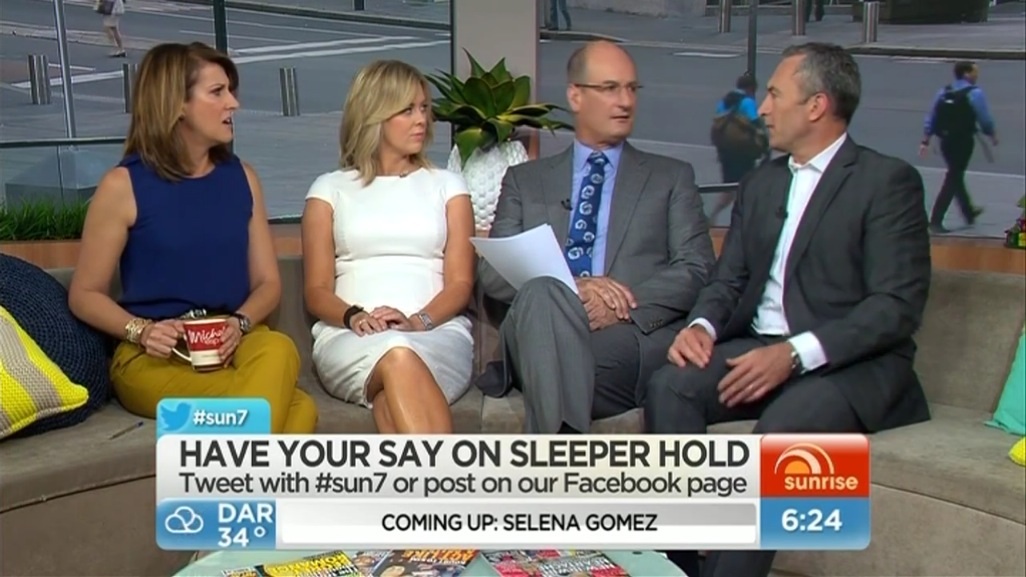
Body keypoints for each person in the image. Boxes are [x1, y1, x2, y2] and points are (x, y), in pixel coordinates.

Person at [644, 42, 932, 577]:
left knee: (783, 431)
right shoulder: (762, 183)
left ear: (817, 105)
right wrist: (701, 325)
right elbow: (729, 279)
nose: (763, 108)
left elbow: (896, 306)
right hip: (761, 349)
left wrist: (794, 354)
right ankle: (677, 568)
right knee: (670, 386)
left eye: (775, 94)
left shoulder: (886, 182)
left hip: (849, 366)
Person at [68, 42, 317, 434]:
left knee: (278, 348)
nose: (233, 103)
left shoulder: (243, 178)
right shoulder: (123, 185)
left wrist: (240, 323)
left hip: (234, 343)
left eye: (230, 91)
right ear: (177, 104)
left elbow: (268, 283)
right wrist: (141, 331)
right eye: (217, 92)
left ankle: (232, 466)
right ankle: (252, 464)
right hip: (156, 354)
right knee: (296, 405)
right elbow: (84, 294)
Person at [475, 40, 715, 434]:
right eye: (610, 88)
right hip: (538, 334)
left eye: (632, 89)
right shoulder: (525, 180)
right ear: (575, 96)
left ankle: (555, 453)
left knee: (559, 361)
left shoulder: (671, 177)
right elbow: (493, 274)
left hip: (624, 340)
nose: (625, 101)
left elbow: (697, 267)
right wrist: (573, 288)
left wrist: (620, 304)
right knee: (545, 292)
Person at [301, 60, 475, 434]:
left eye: (424, 108)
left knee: (391, 388)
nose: (422, 120)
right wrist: (355, 316)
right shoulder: (329, 189)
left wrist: (417, 322)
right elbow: (316, 291)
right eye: (407, 110)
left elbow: (461, 283)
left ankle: (426, 474)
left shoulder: (448, 186)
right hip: (351, 335)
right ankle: (449, 471)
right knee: (396, 354)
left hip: (436, 331)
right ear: (374, 115)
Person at [920, 60, 998, 234]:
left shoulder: (944, 91)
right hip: (964, 140)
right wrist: (991, 134)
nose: (977, 75)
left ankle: (968, 212)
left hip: (945, 141)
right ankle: (936, 220)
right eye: (975, 72)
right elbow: (984, 118)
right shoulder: (975, 93)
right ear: (966, 74)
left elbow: (931, 117)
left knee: (955, 173)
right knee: (954, 176)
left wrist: (926, 139)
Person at [710, 73, 767, 221]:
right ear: (751, 88)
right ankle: (746, 219)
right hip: (743, 153)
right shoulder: (747, 102)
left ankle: (713, 215)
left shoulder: (724, 101)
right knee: (748, 185)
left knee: (729, 187)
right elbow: (755, 121)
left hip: (725, 152)